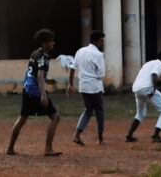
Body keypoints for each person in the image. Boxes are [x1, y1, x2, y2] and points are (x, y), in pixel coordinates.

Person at [7, 28, 61, 157]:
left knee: (22, 118)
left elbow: (35, 74)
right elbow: (39, 75)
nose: (53, 43)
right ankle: (48, 148)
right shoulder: (44, 57)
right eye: (50, 41)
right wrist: (43, 94)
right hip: (36, 91)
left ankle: (10, 148)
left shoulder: (35, 53)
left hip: (27, 89)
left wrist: (47, 81)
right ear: (44, 43)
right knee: (55, 117)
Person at [126, 50, 161, 143]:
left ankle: (129, 135)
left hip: (137, 89)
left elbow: (146, 80)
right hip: (147, 88)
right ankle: (156, 136)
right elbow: (154, 74)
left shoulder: (149, 63)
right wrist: (153, 89)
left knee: (141, 113)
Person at [67, 30, 106, 145]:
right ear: (96, 41)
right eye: (101, 41)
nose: (102, 43)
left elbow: (73, 67)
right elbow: (101, 74)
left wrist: (70, 84)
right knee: (99, 111)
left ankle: (77, 134)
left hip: (83, 85)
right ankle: (100, 138)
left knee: (88, 110)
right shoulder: (98, 54)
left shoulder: (80, 51)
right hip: (94, 86)